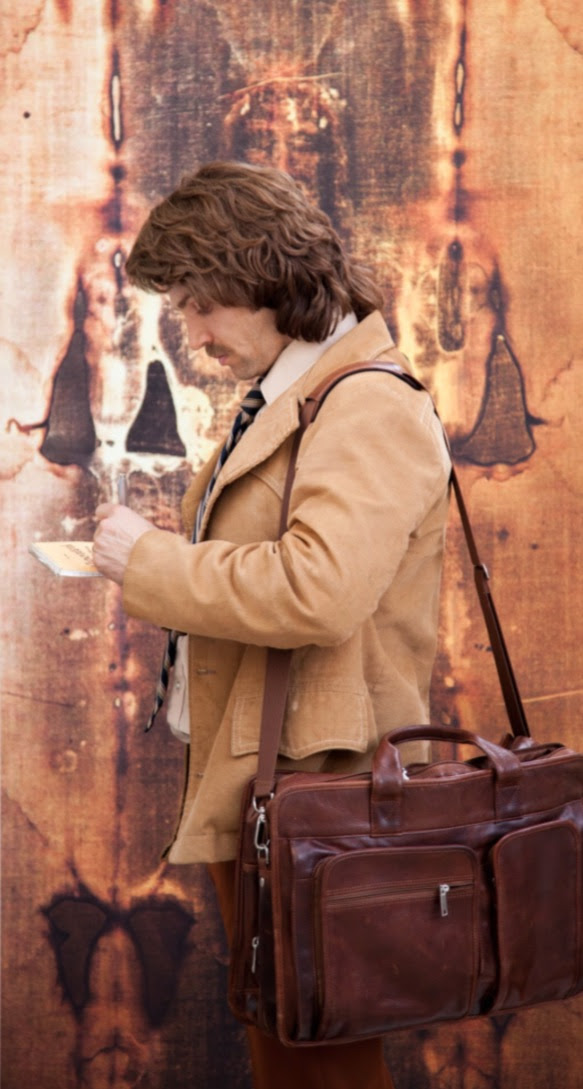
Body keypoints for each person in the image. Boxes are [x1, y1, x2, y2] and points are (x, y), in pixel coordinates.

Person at [93, 160, 451, 1089]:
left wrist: (151, 564)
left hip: (314, 794)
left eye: (200, 304)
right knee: (286, 1044)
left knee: (318, 1062)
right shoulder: (298, 394)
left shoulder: (365, 400)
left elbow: (317, 589)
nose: (193, 333)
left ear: (261, 277)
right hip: (265, 783)